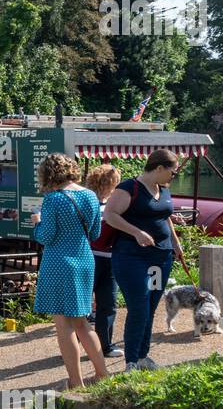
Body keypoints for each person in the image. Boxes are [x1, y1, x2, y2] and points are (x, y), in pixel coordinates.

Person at [30, 154, 109, 388]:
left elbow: (46, 237)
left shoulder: (53, 199)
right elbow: (94, 234)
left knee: (63, 326)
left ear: (49, 174)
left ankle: (76, 381)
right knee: (82, 323)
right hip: (84, 259)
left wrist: (37, 222)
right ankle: (102, 373)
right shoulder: (90, 196)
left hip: (59, 264)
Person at [103, 149, 186, 371]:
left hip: (161, 258)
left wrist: (176, 244)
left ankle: (143, 356)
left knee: (150, 306)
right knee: (139, 306)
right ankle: (131, 361)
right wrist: (136, 232)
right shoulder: (130, 188)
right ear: (159, 168)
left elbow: (165, 217)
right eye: (172, 172)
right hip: (132, 258)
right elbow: (109, 215)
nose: (173, 176)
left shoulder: (163, 188)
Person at [85, 163, 124, 358]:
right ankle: (86, 344)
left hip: (107, 259)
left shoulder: (115, 205)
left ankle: (104, 346)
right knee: (92, 304)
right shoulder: (89, 202)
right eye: (115, 182)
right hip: (91, 258)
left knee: (108, 303)